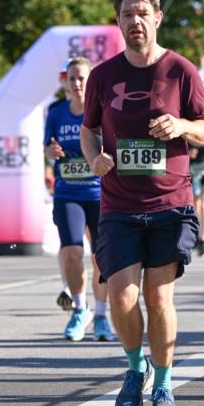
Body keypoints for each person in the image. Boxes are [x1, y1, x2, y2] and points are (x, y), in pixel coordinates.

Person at [81, 0, 204, 406]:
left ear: (157, 19)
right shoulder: (102, 75)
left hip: (169, 203)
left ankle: (164, 384)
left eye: (142, 13)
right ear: (118, 22)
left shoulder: (181, 70)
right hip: (118, 204)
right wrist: (94, 156)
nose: (134, 21)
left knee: (159, 299)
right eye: (126, 15)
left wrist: (181, 126)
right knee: (120, 297)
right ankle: (135, 368)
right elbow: (89, 128)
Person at [44, 56, 114, 342]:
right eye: (71, 78)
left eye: (82, 78)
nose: (76, 83)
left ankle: (100, 315)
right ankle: (79, 308)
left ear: (91, 81)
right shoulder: (56, 112)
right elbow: (48, 147)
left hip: (99, 193)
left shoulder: (102, 111)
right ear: (65, 82)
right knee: (72, 252)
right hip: (67, 192)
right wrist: (50, 153)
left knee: (101, 257)